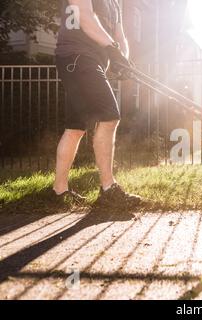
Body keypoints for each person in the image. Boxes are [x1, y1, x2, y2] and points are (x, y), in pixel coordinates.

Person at [53, 0, 142, 208]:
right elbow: (85, 16)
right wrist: (112, 48)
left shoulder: (115, 3)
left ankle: (59, 191)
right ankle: (108, 189)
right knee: (110, 116)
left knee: (75, 127)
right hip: (77, 56)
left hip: (92, 60)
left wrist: (123, 59)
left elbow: (120, 36)